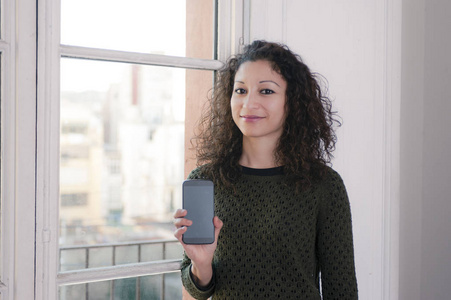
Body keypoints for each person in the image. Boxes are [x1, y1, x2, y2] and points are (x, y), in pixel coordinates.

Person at [173, 40, 358, 299]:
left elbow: (342, 290)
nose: (249, 103)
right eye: (240, 90)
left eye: (266, 91)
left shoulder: (324, 184)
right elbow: (199, 289)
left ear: (292, 102)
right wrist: (201, 264)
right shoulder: (206, 180)